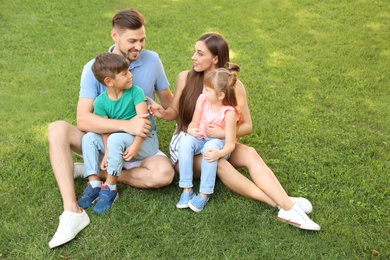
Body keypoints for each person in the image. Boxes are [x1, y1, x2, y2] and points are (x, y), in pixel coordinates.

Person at [148, 33, 321, 231]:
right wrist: (163, 113)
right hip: (188, 146)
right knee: (218, 162)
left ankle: (286, 203)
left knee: (250, 153)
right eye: (194, 52)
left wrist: (222, 133)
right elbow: (175, 113)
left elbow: (247, 125)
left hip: (220, 140)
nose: (193, 57)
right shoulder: (185, 77)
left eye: (199, 53)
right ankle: (282, 205)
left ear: (215, 59)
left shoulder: (233, 86)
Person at [47, 8, 174, 248]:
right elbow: (84, 120)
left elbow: (170, 105)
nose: (139, 46)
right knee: (57, 129)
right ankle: (72, 211)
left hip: (139, 146)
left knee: (164, 175)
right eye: (132, 41)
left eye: (143, 39)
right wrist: (127, 125)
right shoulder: (94, 69)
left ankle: (94, 172)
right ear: (114, 36)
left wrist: (171, 115)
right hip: (104, 144)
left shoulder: (152, 60)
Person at [78, 52, 159, 215]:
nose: (130, 76)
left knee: (116, 138)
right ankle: (94, 183)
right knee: (88, 138)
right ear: (109, 81)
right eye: (125, 74)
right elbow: (105, 129)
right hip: (119, 142)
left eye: (129, 71)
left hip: (144, 142)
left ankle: (111, 188)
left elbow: (144, 124)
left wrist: (136, 145)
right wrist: (107, 151)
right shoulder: (100, 101)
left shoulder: (136, 92)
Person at [175, 68, 240, 212]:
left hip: (219, 144)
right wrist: (192, 130)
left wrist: (219, 154)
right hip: (201, 139)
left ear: (221, 95)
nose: (203, 92)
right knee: (185, 141)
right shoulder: (202, 100)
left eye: (208, 90)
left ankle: (205, 193)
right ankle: (187, 189)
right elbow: (193, 123)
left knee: (210, 147)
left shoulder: (228, 112)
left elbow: (230, 143)